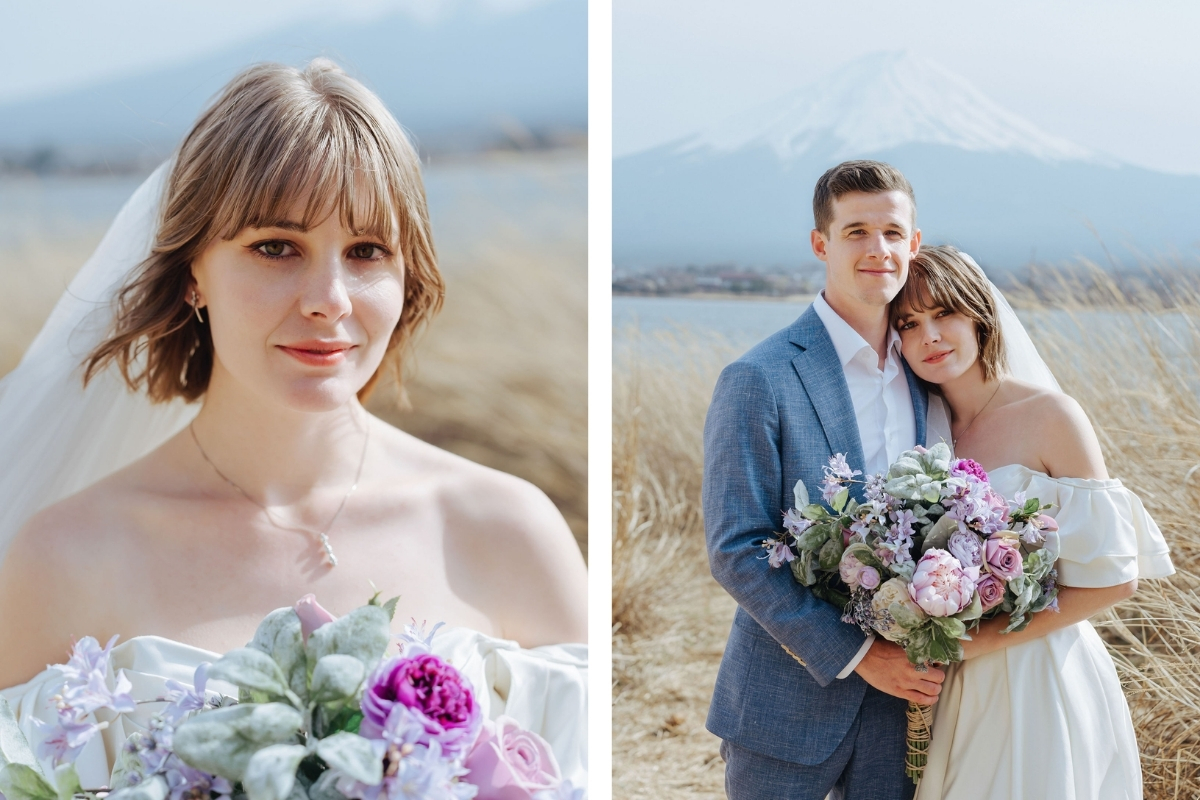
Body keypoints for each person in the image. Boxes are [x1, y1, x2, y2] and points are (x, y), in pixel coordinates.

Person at [0, 59, 587, 788]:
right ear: (192, 273)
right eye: (276, 247)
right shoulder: (63, 560)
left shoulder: (507, 532)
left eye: (367, 251)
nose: (329, 299)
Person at [704, 160, 948, 800]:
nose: (878, 249)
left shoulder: (929, 377)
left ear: (914, 243)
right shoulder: (759, 378)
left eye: (893, 233)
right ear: (821, 244)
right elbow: (736, 548)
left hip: (903, 716)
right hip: (785, 705)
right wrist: (859, 656)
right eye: (856, 231)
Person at [891, 245, 1172, 800]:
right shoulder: (914, 426)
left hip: (1039, 673)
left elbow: (1116, 577)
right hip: (950, 686)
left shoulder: (1050, 415)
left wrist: (980, 642)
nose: (930, 336)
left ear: (979, 314)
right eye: (909, 323)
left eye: (944, 313)